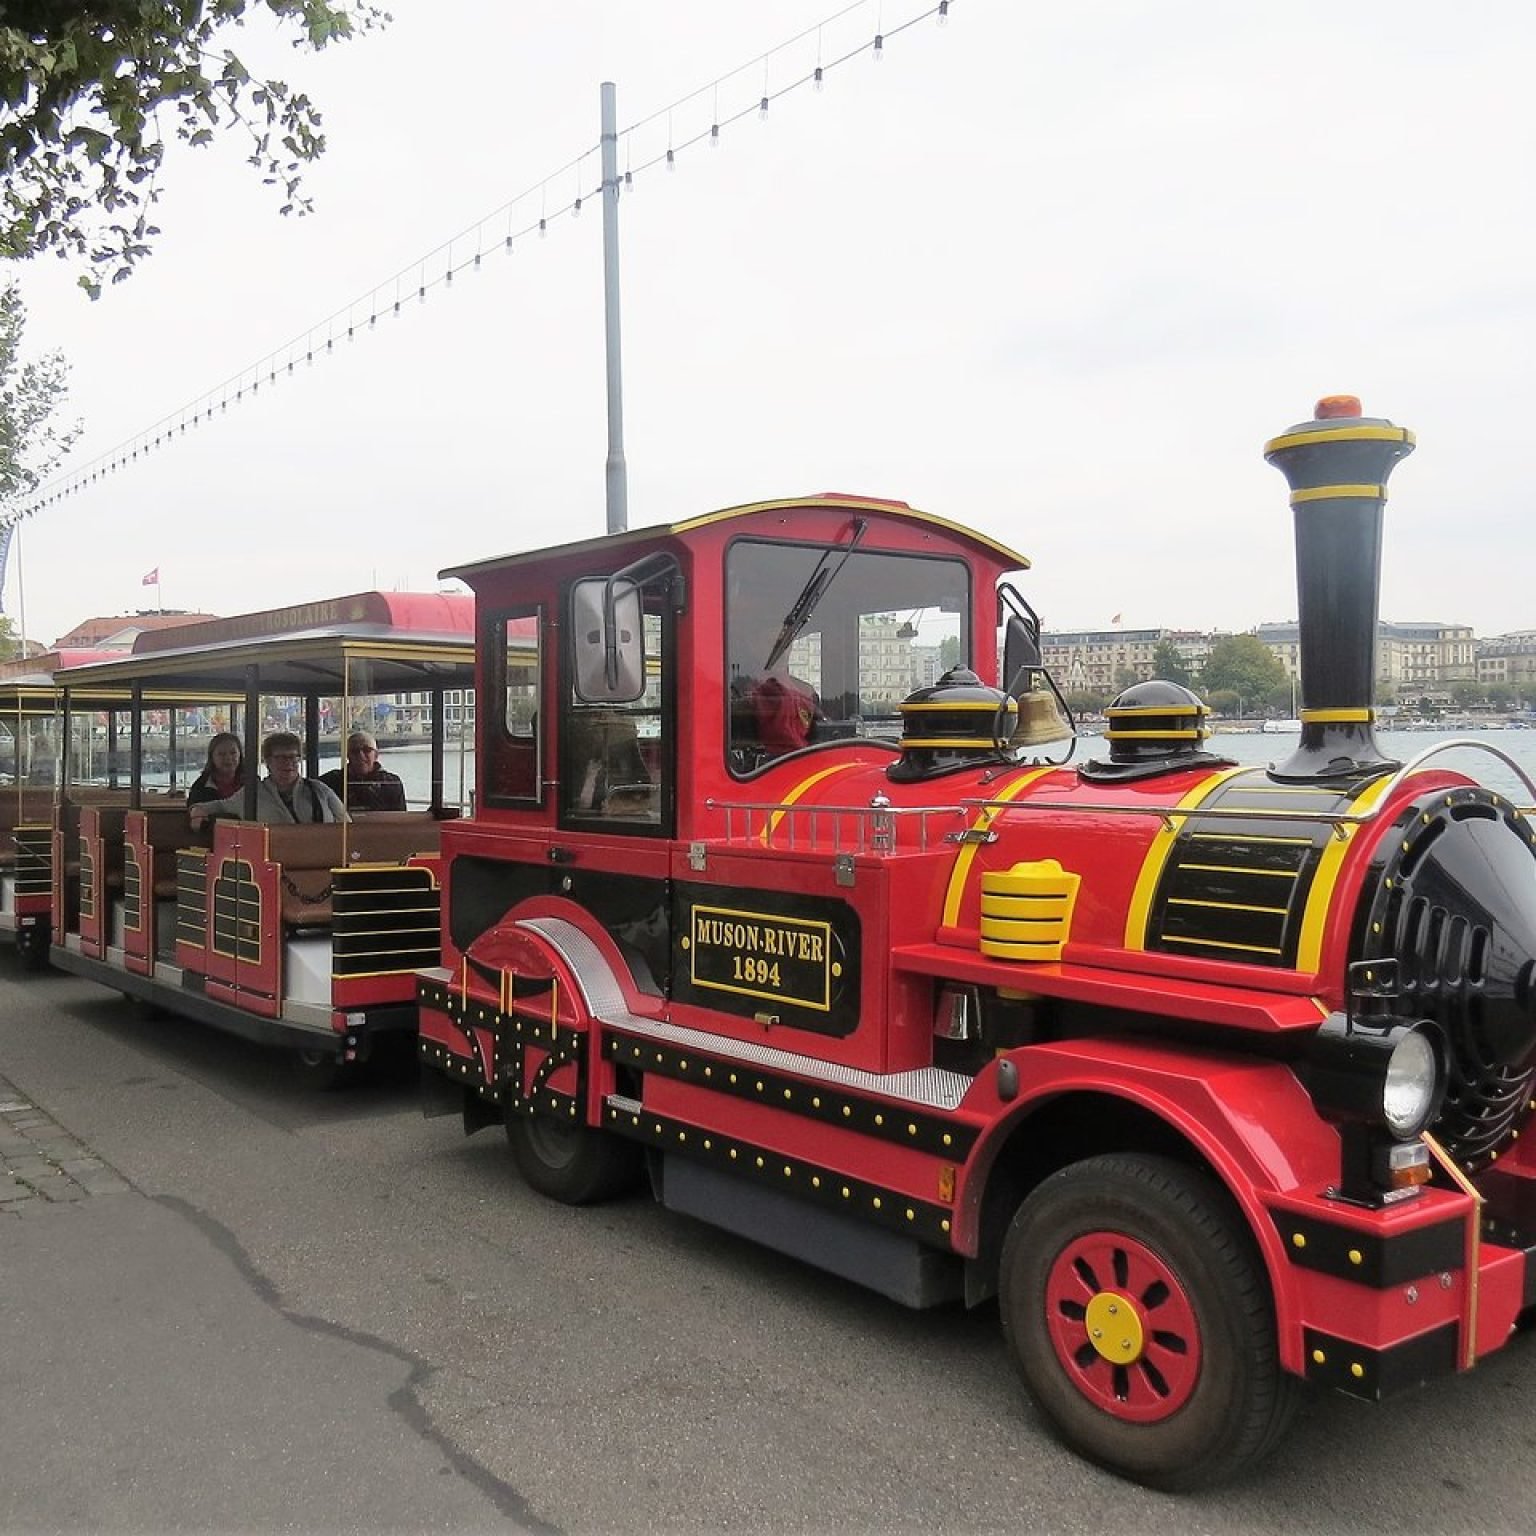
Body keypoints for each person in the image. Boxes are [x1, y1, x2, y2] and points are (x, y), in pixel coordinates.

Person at [188, 732, 350, 828]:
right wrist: (197, 812)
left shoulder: (320, 790)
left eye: (293, 757)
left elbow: (348, 826)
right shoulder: (251, 794)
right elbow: (218, 805)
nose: (288, 763)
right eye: (281, 757)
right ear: (268, 761)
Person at [319, 730, 406, 812]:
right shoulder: (330, 782)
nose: (360, 755)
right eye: (355, 751)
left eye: (367, 750)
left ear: (376, 755)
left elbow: (401, 818)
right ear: (348, 756)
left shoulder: (391, 783)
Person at [186, 732, 243, 807]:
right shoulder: (200, 787)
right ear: (212, 758)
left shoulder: (251, 783)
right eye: (221, 754)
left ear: (240, 755)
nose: (228, 758)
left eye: (233, 753)